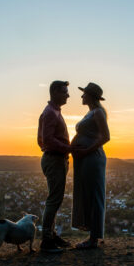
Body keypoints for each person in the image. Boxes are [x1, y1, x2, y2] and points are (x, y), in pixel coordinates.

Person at [71, 82, 110, 249]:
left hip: (92, 158)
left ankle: (93, 239)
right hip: (86, 158)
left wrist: (86, 150)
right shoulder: (92, 112)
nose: (81, 96)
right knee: (88, 194)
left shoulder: (98, 112)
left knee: (94, 195)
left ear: (91, 97)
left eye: (84, 94)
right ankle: (92, 236)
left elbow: (106, 137)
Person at [37, 80, 73, 253]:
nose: (68, 95)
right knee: (53, 200)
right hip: (55, 159)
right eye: (65, 92)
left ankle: (50, 235)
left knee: (56, 199)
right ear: (55, 92)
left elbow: (41, 140)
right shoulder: (51, 113)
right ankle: (46, 241)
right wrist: (69, 149)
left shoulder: (53, 111)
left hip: (57, 159)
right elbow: (48, 140)